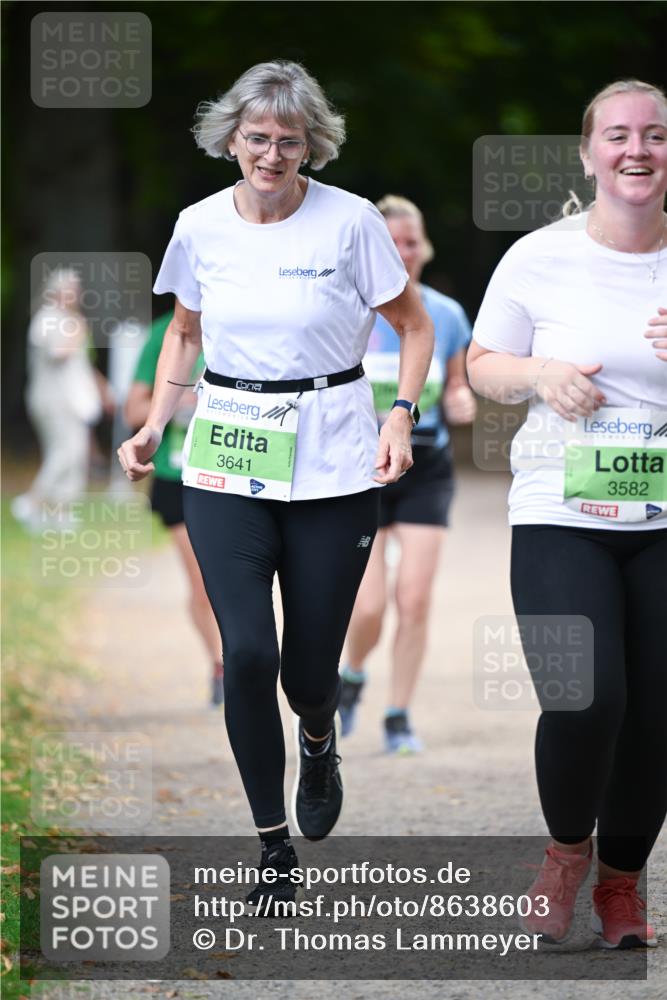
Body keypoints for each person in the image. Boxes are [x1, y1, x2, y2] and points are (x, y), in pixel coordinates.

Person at [117, 60, 434, 909]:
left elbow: (412, 327)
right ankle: (270, 843)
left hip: (332, 451)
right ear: (230, 139)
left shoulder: (352, 222)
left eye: (288, 141)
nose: (270, 153)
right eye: (256, 137)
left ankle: (320, 736)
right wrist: (154, 423)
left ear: (311, 147)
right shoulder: (198, 226)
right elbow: (184, 333)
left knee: (305, 671)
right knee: (248, 653)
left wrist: (398, 414)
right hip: (228, 451)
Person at [467, 79, 667, 950]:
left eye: (655, 135)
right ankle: (563, 857)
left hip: (662, 519)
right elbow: (480, 365)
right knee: (586, 698)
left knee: (658, 709)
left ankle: (622, 885)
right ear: (588, 154)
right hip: (558, 509)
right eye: (618, 135)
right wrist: (539, 376)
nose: (637, 150)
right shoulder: (538, 256)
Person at [339, 196, 476, 753]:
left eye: (412, 241)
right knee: (368, 604)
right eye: (392, 242)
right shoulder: (348, 306)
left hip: (426, 466)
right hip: (361, 468)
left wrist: (464, 399)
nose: (403, 252)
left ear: (425, 247)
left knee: (414, 599)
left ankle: (398, 717)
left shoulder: (445, 314)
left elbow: (458, 382)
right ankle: (352, 675)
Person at [124, 312, 223, 707]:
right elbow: (133, 411)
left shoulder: (245, 317)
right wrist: (181, 402)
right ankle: (220, 663)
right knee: (203, 579)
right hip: (176, 475)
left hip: (237, 472)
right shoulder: (163, 335)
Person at [12, 268, 109, 531]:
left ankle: (61, 512)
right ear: (55, 291)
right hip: (52, 400)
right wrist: (77, 329)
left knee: (76, 455)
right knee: (63, 454)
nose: (75, 294)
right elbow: (59, 353)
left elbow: (82, 363)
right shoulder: (46, 319)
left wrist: (101, 387)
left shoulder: (71, 320)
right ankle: (31, 503)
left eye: (76, 289)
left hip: (75, 401)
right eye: (69, 289)